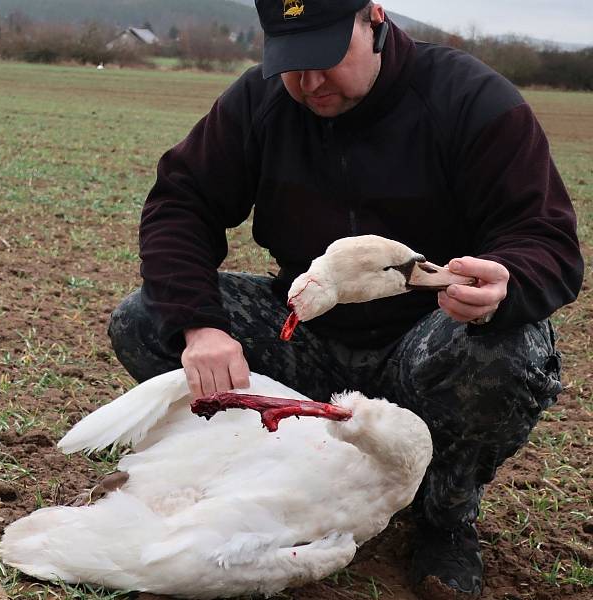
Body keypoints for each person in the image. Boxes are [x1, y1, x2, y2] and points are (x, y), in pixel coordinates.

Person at [108, 1, 584, 597]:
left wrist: (508, 278)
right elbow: (181, 202)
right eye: (290, 62)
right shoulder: (259, 103)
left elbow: (546, 237)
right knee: (148, 320)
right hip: (305, 338)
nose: (309, 82)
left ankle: (442, 519)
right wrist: (201, 327)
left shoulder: (470, 100)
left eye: (326, 56)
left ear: (373, 19)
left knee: (508, 350)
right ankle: (268, 475)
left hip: (428, 344)